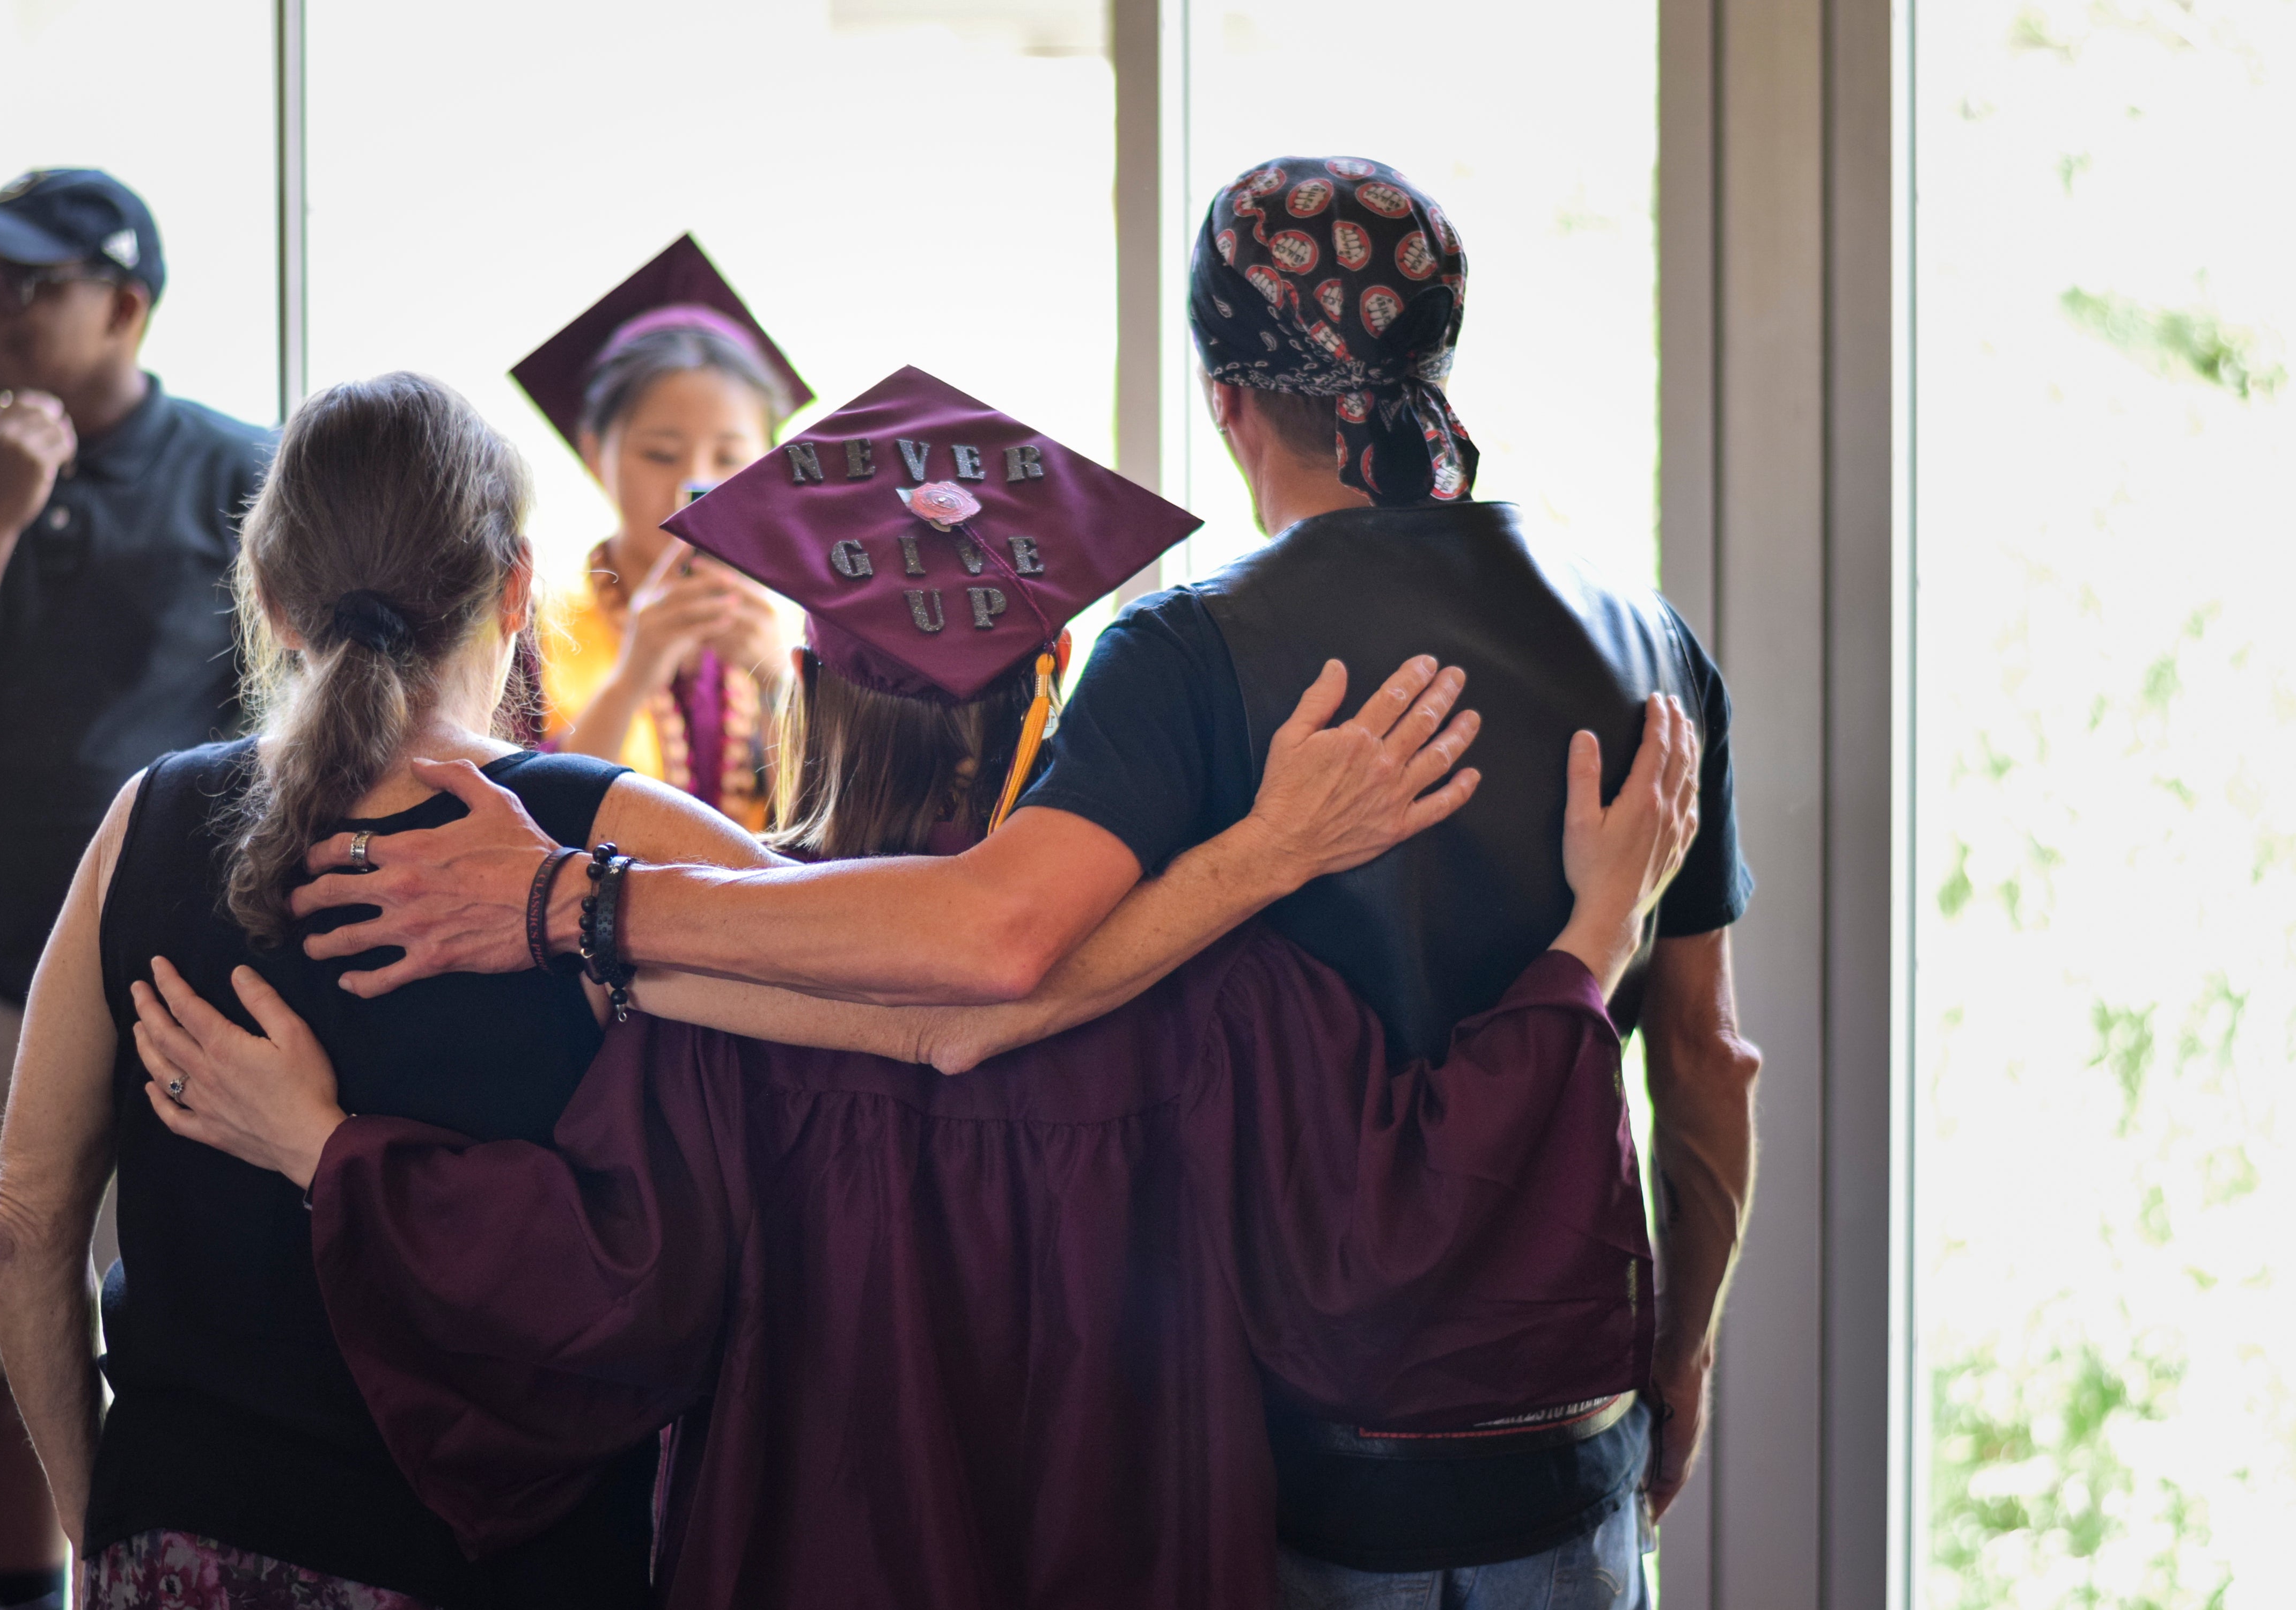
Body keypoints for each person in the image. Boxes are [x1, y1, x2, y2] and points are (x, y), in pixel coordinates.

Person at [290, 163, 1760, 1602]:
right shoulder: (1234, 954)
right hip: (1297, 1499)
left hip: (896, 1536)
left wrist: (359, 1128)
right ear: (1052, 672)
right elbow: (1676, 1074)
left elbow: (615, 1286)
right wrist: (1668, 1324)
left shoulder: (747, 988)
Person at [0, 368, 1497, 1608]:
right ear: (519, 589)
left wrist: (113, 1522)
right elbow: (960, 1018)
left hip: (715, 1540)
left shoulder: (170, 827)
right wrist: (1277, 862)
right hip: (1060, 1540)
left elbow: (26, 1222)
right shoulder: (692, 890)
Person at [0, 167, 273, 1610]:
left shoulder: (245, 476)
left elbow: (291, 737)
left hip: (172, 990)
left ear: (127, 305)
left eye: (31, 285)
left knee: (173, 1336)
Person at [515, 235, 811, 827]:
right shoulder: (530, 630)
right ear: (596, 454)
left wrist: (781, 685)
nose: (693, 487)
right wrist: (633, 675)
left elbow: (831, 837)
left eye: (729, 458)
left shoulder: (804, 635)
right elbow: (522, 826)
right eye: (659, 454)